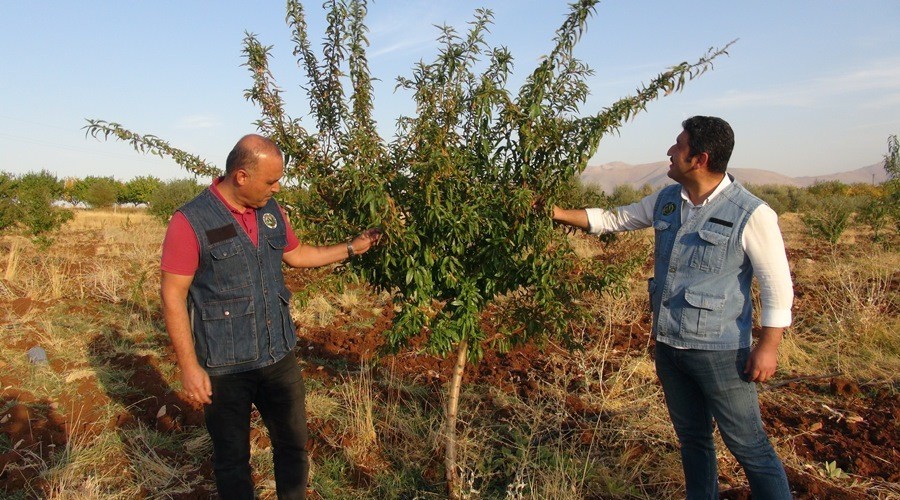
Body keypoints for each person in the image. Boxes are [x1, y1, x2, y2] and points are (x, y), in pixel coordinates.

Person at [553, 116, 793, 499]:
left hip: (720, 353)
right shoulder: (667, 200)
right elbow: (617, 218)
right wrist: (557, 213)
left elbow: (777, 284)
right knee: (693, 440)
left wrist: (768, 346)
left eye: (678, 145)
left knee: (750, 446)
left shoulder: (751, 212)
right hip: (669, 346)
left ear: (699, 158)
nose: (669, 151)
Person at [160, 134, 380, 499]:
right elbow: (173, 295)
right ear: (241, 176)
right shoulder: (190, 221)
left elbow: (297, 254)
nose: (277, 188)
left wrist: (351, 248)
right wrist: (189, 366)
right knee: (232, 460)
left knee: (293, 444)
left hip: (278, 354)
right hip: (225, 365)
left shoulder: (270, 211)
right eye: (271, 181)